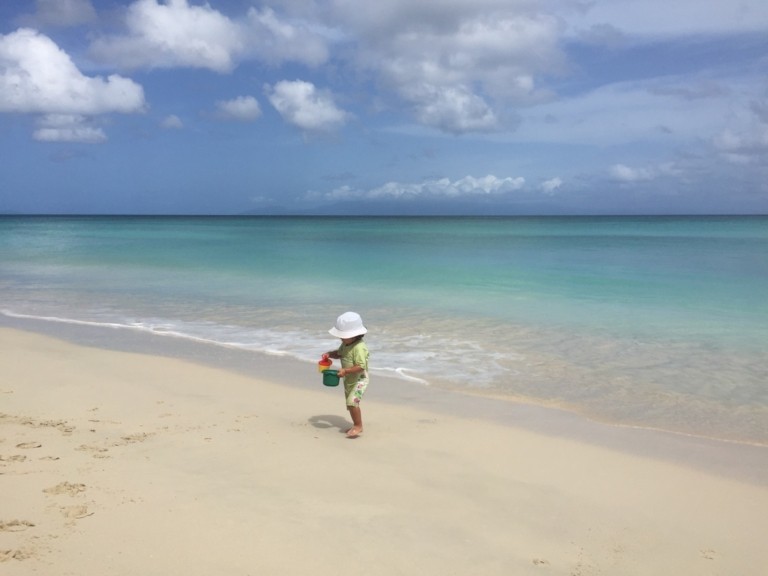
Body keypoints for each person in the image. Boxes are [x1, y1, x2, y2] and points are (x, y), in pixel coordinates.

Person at [326, 311, 369, 438]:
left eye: (343, 336)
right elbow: (340, 354)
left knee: (352, 402)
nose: (341, 338)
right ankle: (356, 424)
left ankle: (358, 425)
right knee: (349, 404)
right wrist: (330, 354)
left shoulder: (359, 347)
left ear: (355, 335)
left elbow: (361, 366)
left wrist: (345, 371)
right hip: (349, 379)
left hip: (360, 380)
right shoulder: (346, 344)